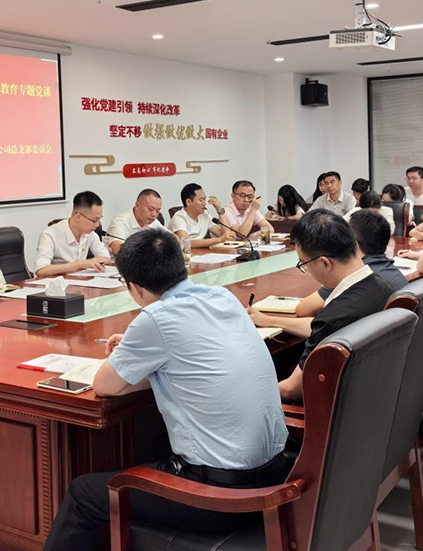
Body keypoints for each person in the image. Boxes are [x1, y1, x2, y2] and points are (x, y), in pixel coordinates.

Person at [44, 229, 289, 551]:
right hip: (277, 474)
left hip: (221, 498)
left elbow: (104, 385)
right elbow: (194, 359)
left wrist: (139, 352)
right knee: (155, 443)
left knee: (83, 493)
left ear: (134, 287)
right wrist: (143, 352)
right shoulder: (222, 297)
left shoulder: (155, 318)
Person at [274, 211, 393, 401]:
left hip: (340, 408)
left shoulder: (334, 316)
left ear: (324, 263)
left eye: (304, 264)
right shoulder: (384, 287)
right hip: (380, 397)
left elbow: (291, 390)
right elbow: (322, 327)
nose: (306, 269)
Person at [34, 191, 110, 277]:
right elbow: (41, 270)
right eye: (94, 220)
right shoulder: (49, 235)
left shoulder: (90, 233)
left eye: (99, 219)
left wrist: (95, 261)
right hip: (56, 283)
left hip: (79, 281)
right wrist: (81, 264)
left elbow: (105, 257)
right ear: (78, 216)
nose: (97, 225)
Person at [169, 183, 234, 248]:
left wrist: (219, 210)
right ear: (188, 202)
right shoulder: (179, 217)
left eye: (204, 199)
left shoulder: (204, 215)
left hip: (200, 252)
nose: (204, 203)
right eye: (201, 200)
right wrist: (219, 240)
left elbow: (224, 235)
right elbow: (186, 242)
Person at [105, 189, 165, 256]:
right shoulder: (121, 221)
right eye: (150, 209)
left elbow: (171, 239)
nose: (154, 214)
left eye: (157, 211)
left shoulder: (153, 222)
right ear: (137, 205)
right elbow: (117, 249)